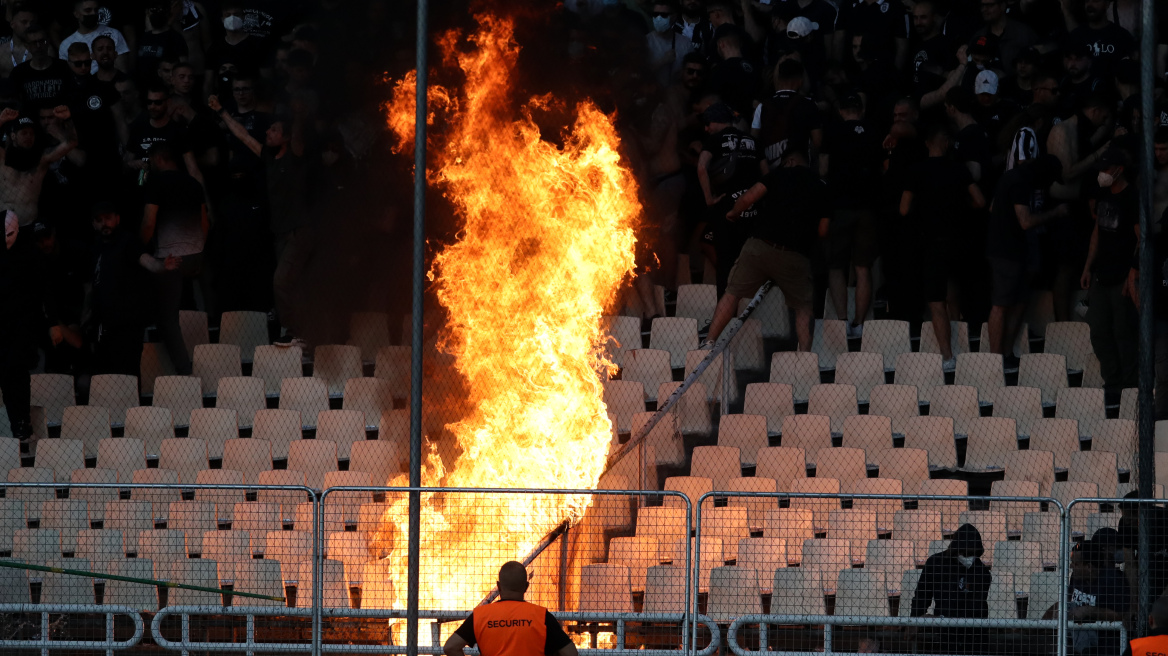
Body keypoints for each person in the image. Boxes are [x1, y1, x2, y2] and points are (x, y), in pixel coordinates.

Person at [704, 148, 830, 352]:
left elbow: (748, 198)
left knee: (732, 293)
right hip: (795, 255)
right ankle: (805, 354)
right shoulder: (821, 186)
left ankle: (708, 343)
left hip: (760, 247)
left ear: (789, 161)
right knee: (803, 308)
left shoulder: (778, 174)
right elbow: (823, 230)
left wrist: (733, 214)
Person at [209, 93, 311, 343]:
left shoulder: (294, 156)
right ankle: (302, 333)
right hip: (280, 233)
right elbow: (243, 135)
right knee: (290, 283)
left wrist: (298, 115)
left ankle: (293, 331)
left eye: (274, 130)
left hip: (299, 231)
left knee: (281, 281)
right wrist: (221, 111)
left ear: (285, 137)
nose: (268, 132)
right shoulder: (268, 157)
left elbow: (297, 136)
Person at [900, 124, 986, 369]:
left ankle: (948, 356)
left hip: (931, 245)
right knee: (953, 291)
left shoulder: (916, 171)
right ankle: (961, 342)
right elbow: (980, 201)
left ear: (927, 143)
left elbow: (904, 209)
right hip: (959, 242)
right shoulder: (959, 170)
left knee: (936, 302)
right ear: (947, 143)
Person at [985, 154, 1067, 358]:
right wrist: (1055, 213)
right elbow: (1025, 221)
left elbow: (993, 206)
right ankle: (996, 359)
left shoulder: (1013, 177)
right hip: (1006, 252)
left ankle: (1005, 354)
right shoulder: (1019, 181)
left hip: (1015, 252)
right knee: (1001, 304)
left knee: (1019, 302)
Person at [140, 142, 207, 376]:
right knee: (190, 305)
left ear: (159, 159)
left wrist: (141, 246)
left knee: (166, 317)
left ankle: (184, 369)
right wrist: (198, 246)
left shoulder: (155, 182)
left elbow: (149, 222)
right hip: (196, 256)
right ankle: (204, 356)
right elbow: (204, 221)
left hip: (170, 258)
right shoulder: (193, 182)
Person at [822, 92, 881, 339]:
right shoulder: (875, 132)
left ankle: (843, 321)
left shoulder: (833, 132)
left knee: (836, 267)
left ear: (841, 111)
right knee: (863, 267)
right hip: (869, 208)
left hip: (839, 207)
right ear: (861, 110)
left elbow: (823, 170)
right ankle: (859, 324)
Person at [1082, 148, 1139, 397]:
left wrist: (1132, 275)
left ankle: (1129, 387)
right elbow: (1097, 231)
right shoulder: (1103, 193)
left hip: (1122, 277)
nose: (1103, 174)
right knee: (1099, 332)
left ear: (1120, 169)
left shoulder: (1132, 197)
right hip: (1101, 276)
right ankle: (1112, 384)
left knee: (1123, 332)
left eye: (1107, 169)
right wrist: (1087, 267)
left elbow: (1140, 237)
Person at [443, 562, 577, 656]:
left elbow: (451, 647)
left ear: (499, 586)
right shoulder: (541, 616)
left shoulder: (480, 615)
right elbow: (570, 653)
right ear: (526, 586)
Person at [697, 102, 761, 297]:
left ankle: (725, 313)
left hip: (726, 211)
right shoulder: (752, 140)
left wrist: (709, 199)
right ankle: (747, 308)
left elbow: (701, 167)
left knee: (725, 263)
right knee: (750, 258)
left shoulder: (715, 140)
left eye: (708, 123)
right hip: (753, 211)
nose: (706, 128)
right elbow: (766, 175)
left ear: (717, 121)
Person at [910, 523, 992, 654]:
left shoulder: (981, 573)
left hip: (971, 632)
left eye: (973, 554)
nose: (969, 558)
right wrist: (915, 619)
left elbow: (976, 608)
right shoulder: (936, 563)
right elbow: (922, 595)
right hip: (943, 633)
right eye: (966, 553)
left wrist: (941, 618)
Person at [89, 202, 148, 377]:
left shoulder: (127, 241)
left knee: (128, 372)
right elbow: (91, 285)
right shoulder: (95, 248)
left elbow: (145, 259)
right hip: (104, 323)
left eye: (108, 218)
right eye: (99, 220)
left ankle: (132, 405)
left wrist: (160, 265)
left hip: (128, 322)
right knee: (107, 373)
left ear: (117, 219)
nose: (104, 223)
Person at [0, 107, 78, 228]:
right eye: (24, 133)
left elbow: (72, 142)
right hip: (4, 228)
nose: (29, 136)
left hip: (30, 227)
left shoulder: (41, 160)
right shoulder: (2, 157)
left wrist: (68, 118)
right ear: (14, 136)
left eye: (31, 133)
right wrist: (1, 120)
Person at [1063, 531, 1130, 656]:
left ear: (1088, 566)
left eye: (1076, 563)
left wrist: (1089, 611)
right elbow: (1069, 602)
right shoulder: (1076, 577)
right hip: (1076, 638)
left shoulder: (1113, 580)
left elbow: (1122, 616)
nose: (1072, 566)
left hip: (1104, 645)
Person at [751, 58, 822, 169]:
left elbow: (753, 142)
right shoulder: (809, 104)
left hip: (771, 176)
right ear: (800, 81)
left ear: (778, 79)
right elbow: (817, 141)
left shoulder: (762, 106)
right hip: (799, 173)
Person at [58, 0, 130, 73]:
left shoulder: (114, 34)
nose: (93, 13)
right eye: (88, 10)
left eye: (96, 10)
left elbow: (122, 69)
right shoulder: (66, 44)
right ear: (76, 14)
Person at [9, 23, 72, 107]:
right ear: (26, 46)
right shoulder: (19, 73)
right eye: (34, 43)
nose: (38, 46)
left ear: (48, 41)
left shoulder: (63, 67)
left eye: (42, 41)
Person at [0, 4, 39, 78]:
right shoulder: (1, 51)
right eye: (24, 22)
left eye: (31, 23)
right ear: (12, 24)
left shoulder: (42, 48)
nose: (28, 26)